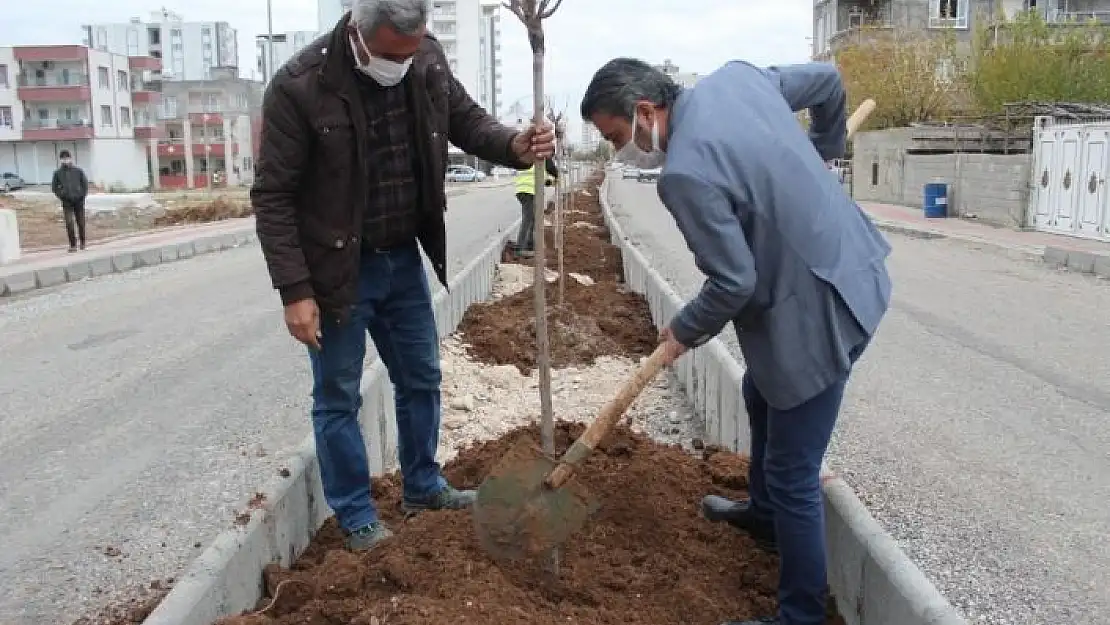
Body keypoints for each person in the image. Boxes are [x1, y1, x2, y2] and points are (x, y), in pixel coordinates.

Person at [581, 59, 892, 625]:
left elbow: (733, 281)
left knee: (796, 471)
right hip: (853, 269)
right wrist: (823, 147)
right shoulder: (737, 79)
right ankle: (766, 517)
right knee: (756, 391)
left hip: (821, 311)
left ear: (645, 112)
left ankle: (799, 613)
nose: (619, 151)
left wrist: (682, 330)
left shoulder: (684, 175)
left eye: (615, 137)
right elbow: (828, 82)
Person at [251, 0, 555, 552]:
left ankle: (422, 486)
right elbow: (272, 198)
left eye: (412, 53)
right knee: (338, 395)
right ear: (359, 34)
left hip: (401, 259)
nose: (403, 65)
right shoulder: (300, 86)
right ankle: (356, 514)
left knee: (421, 377)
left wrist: (515, 144)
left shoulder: (427, 60)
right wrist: (295, 291)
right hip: (337, 271)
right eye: (392, 55)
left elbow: (467, 120)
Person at [512, 158, 559, 258]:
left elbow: (544, 180)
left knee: (533, 219)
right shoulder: (544, 158)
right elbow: (552, 170)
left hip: (521, 190)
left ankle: (530, 246)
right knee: (527, 219)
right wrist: (557, 177)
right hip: (529, 191)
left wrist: (551, 182)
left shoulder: (531, 158)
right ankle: (519, 249)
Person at [51, 150, 89, 252]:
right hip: (67, 202)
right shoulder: (57, 173)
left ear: (70, 158)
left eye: (67, 158)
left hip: (79, 201)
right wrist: (62, 195)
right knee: (69, 223)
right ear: (60, 160)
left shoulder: (78, 171)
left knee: (81, 222)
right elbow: (54, 188)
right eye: (63, 159)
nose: (65, 160)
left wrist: (82, 196)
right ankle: (73, 245)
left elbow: (85, 185)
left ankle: (83, 242)